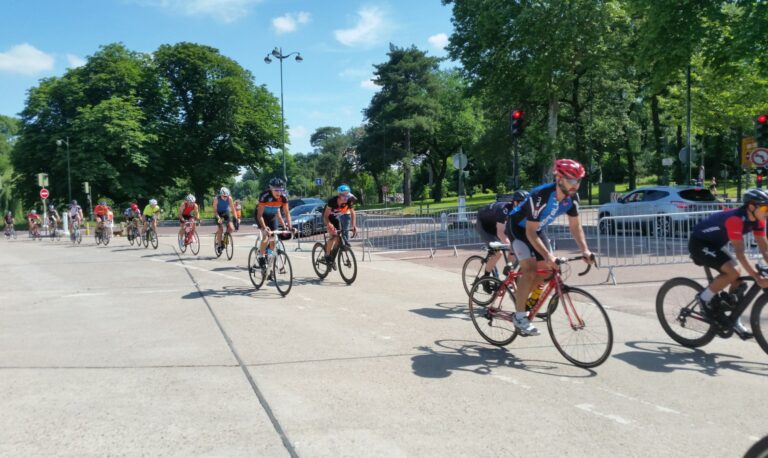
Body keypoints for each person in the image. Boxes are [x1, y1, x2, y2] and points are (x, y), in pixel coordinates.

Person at [506, 159, 594, 336]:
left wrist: (585, 250)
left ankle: (521, 295)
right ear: (559, 178)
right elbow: (530, 232)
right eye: (571, 180)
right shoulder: (541, 196)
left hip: (537, 229)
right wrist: (547, 255)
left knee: (547, 271)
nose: (575, 185)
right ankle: (520, 316)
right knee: (530, 269)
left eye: (578, 180)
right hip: (519, 228)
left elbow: (575, 226)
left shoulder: (572, 199)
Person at [688, 188, 768, 338]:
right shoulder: (735, 219)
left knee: (738, 284)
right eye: (765, 208)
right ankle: (703, 298)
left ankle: (733, 318)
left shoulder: (759, 221)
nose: (767, 212)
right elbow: (740, 253)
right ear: (751, 206)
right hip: (699, 243)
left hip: (716, 244)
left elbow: (765, 249)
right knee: (734, 271)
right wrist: (757, 277)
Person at [473, 190, 529, 277]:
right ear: (515, 202)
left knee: (514, 246)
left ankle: (509, 272)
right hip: (484, 224)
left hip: (495, 223)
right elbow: (500, 233)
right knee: (498, 253)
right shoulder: (505, 210)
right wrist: (511, 245)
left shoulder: (521, 211)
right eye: (522, 203)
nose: (524, 206)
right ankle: (486, 278)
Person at [255, 178, 291, 266]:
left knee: (273, 240)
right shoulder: (265, 196)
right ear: (271, 188)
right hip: (261, 216)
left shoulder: (284, 197)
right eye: (276, 190)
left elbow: (287, 213)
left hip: (272, 217)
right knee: (265, 237)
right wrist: (264, 227)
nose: (278, 192)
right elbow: (259, 215)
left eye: (280, 190)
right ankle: (261, 256)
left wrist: (290, 227)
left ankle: (269, 257)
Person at [321, 184, 359, 264]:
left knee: (338, 238)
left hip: (337, 216)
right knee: (333, 236)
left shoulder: (349, 200)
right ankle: (327, 255)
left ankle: (332, 255)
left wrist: (354, 225)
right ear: (339, 195)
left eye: (347, 195)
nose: (345, 198)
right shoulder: (332, 201)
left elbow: (352, 213)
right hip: (328, 217)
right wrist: (329, 224)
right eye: (343, 195)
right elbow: (325, 216)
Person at [213, 187, 236, 255]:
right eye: (224, 196)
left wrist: (236, 218)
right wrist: (218, 218)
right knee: (221, 229)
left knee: (232, 228)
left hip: (226, 212)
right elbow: (215, 211)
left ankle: (224, 238)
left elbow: (233, 209)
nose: (225, 197)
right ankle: (219, 245)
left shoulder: (229, 198)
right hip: (218, 213)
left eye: (227, 196)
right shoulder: (216, 199)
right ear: (221, 194)